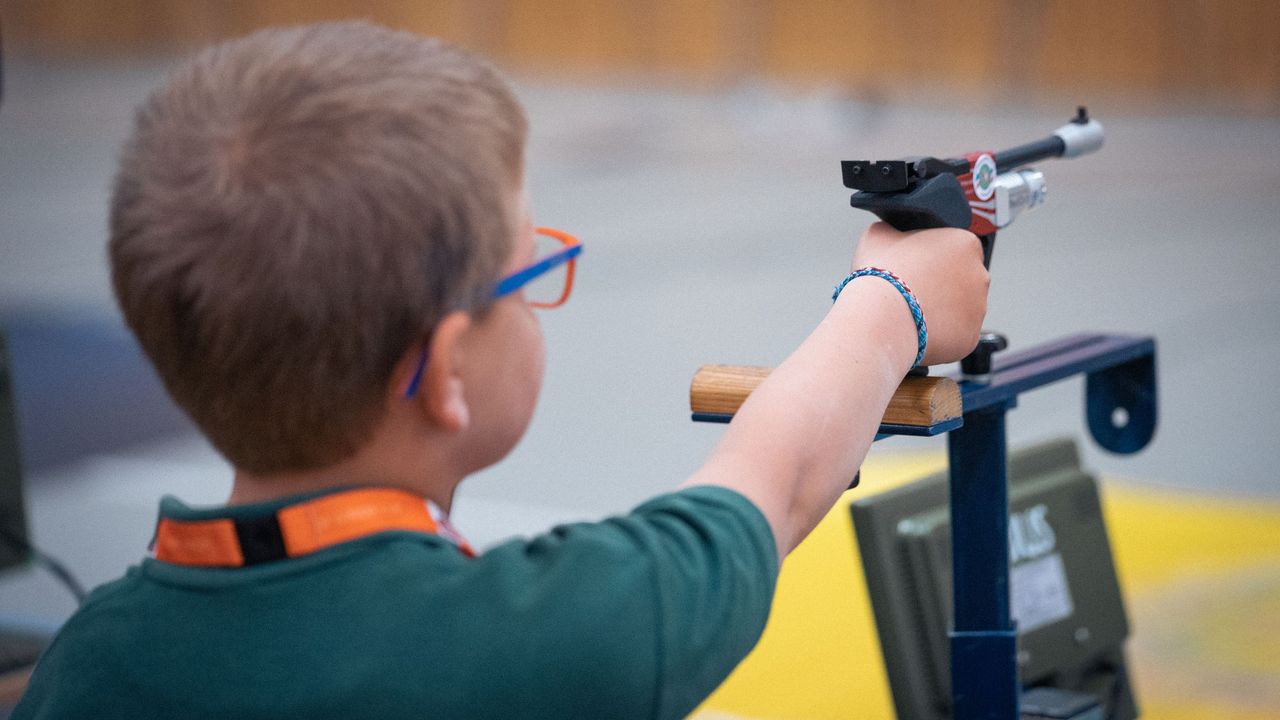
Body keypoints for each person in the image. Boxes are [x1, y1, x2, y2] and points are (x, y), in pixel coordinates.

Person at [14, 20, 987, 720]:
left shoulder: (89, 661)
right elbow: (771, 487)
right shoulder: (553, 635)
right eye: (532, 270)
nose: (540, 293)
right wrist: (892, 302)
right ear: (443, 372)